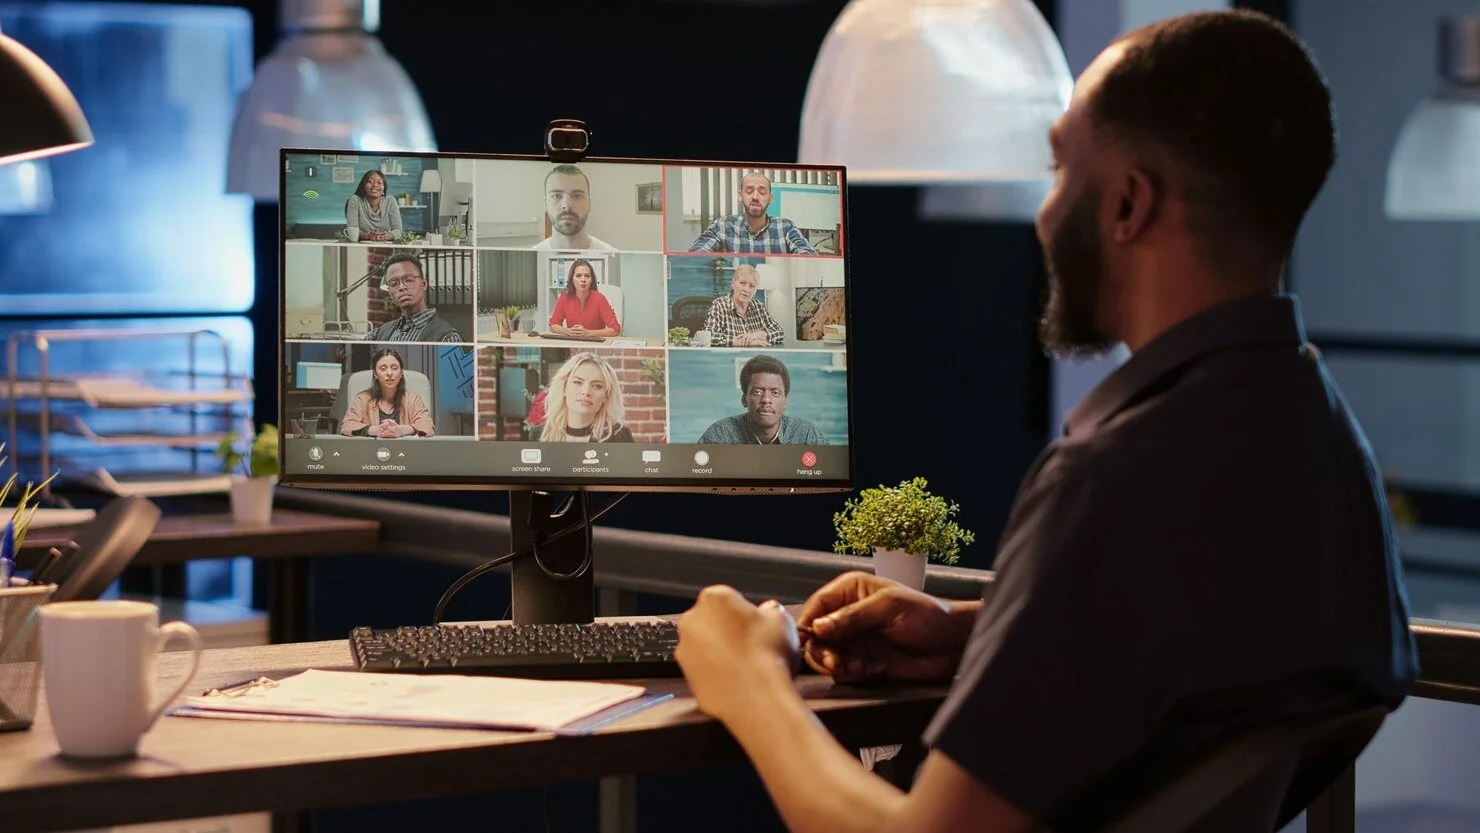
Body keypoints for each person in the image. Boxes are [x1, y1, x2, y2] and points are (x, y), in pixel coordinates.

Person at [673, 11, 1419, 833]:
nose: (1043, 211)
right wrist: (980, 635)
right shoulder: (1320, 439)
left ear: (1128, 203)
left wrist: (751, 684)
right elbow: (1215, 661)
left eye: (1062, 168)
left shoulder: (1113, 478)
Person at [699, 355, 827, 445]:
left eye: (775, 393)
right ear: (744, 400)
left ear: (785, 402)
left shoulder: (807, 435)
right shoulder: (720, 434)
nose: (766, 399)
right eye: (757, 392)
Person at [688, 172, 817, 255]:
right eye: (749, 190)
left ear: (770, 198)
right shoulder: (722, 226)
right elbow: (695, 253)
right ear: (740, 195)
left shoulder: (786, 227)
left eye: (762, 192)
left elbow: (809, 256)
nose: (755, 196)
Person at [528, 352, 634, 442]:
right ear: (564, 388)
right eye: (578, 382)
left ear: (606, 395)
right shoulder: (538, 435)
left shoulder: (619, 437)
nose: (586, 392)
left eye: (597, 386)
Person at [362, 253, 463, 342]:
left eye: (409, 280)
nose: (401, 287)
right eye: (394, 283)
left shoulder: (447, 336)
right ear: (389, 292)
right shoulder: (381, 332)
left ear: (423, 284)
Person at [339, 348, 435, 438]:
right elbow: (347, 426)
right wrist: (376, 430)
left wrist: (401, 430)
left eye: (394, 368)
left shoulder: (413, 399)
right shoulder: (362, 398)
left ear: (401, 373)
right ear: (375, 374)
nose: (389, 373)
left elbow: (427, 426)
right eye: (383, 368)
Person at [534, 164, 616, 251]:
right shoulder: (533, 257)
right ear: (545, 204)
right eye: (556, 196)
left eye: (577, 196)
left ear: (589, 203)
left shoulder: (613, 256)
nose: (567, 205)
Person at [701, 265, 784, 347]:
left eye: (751, 286)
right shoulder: (719, 305)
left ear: (755, 290)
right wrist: (740, 341)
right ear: (733, 284)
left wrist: (761, 335)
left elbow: (779, 333)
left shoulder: (759, 307)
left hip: (756, 358)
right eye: (742, 283)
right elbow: (707, 337)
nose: (746, 289)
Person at [548, 259, 620, 338]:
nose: (583, 280)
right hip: (573, 344)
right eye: (578, 276)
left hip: (595, 345)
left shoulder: (599, 299)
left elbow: (615, 329)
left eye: (587, 276)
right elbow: (553, 324)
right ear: (571, 279)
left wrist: (587, 333)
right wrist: (568, 331)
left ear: (592, 280)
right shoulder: (564, 297)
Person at [345, 169, 402, 243]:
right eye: (370, 181)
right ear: (363, 186)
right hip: (360, 247)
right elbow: (353, 235)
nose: (375, 185)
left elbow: (398, 230)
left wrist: (385, 236)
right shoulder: (355, 200)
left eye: (379, 182)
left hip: (385, 246)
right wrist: (368, 235)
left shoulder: (390, 201)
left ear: (384, 189)